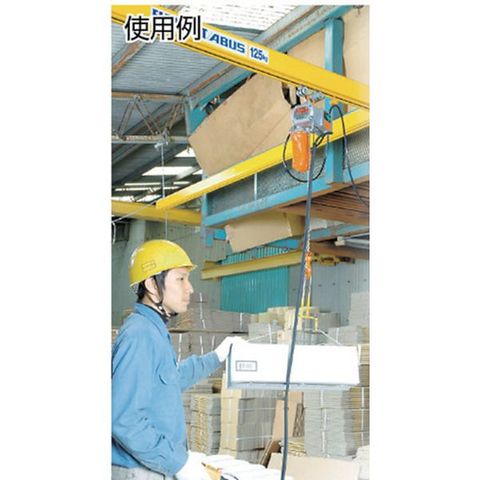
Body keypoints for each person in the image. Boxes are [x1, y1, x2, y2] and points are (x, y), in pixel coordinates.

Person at [112, 239, 244, 480]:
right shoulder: (140, 334)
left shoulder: (154, 330)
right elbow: (124, 419)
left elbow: (171, 379)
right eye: (180, 279)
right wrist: (178, 463)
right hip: (139, 472)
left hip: (152, 467)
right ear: (152, 285)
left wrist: (217, 355)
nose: (190, 288)